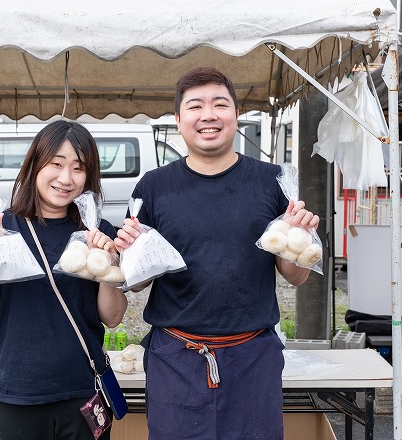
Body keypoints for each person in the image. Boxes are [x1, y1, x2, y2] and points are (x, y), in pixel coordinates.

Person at [114, 67, 320, 440]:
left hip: (252, 356)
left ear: (235, 115)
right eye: (195, 106)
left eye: (219, 104)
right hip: (175, 355)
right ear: (179, 121)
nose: (208, 115)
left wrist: (302, 243)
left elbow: (295, 276)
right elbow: (139, 282)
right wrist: (128, 251)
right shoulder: (154, 187)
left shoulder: (271, 181)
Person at [0, 120, 127, 440]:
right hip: (14, 394)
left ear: (89, 177)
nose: (65, 178)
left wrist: (109, 265)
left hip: (82, 393)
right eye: (56, 164)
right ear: (35, 165)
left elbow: (113, 318)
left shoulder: (96, 231)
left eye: (78, 168)